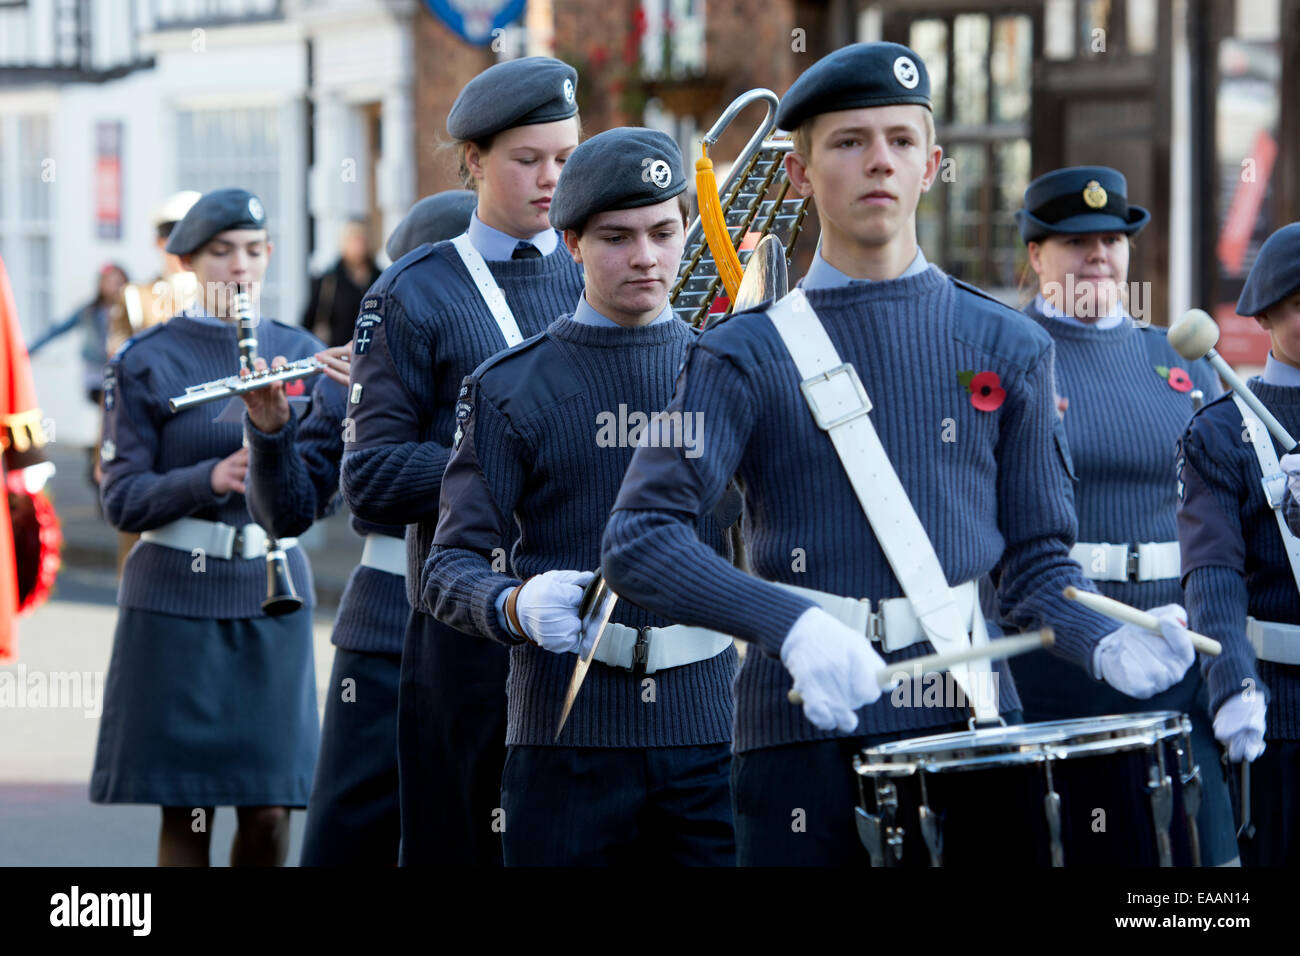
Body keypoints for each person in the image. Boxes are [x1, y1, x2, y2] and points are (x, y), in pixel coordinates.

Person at [600, 42, 1200, 867]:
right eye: (848, 142)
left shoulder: (1009, 344)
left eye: (900, 141)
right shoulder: (738, 353)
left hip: (977, 724)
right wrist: (793, 624)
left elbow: (1034, 569)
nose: (878, 160)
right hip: (800, 730)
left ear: (932, 165)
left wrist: (1098, 633)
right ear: (802, 173)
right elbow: (639, 540)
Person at [426, 128, 737, 865]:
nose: (645, 257)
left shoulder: (732, 373)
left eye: (665, 232)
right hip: (564, 738)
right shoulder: (508, 387)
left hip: (712, 734)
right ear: (570, 242)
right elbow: (447, 568)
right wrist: (512, 604)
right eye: (616, 237)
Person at [341, 56, 586, 866]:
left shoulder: (606, 270)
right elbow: (370, 480)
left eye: (565, 157)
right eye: (527, 160)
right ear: (475, 160)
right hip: (464, 628)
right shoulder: (412, 292)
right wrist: (498, 462)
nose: (551, 179)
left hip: (591, 624)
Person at [1005, 165, 1237, 865]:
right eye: (1076, 242)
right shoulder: (1004, 358)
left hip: (1177, 649)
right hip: (1055, 656)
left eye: (1112, 238)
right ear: (1037, 255)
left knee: (1200, 860)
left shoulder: (1179, 358)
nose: (1099, 254)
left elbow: (1222, 510)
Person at [90, 188, 324, 866]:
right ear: (189, 262)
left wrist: (276, 445)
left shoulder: (298, 352)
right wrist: (209, 479)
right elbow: (123, 499)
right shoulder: (145, 359)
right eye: (221, 253)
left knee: (272, 808)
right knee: (188, 812)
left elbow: (320, 492)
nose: (239, 267)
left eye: (253, 251)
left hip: (270, 591)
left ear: (270, 257)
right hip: (173, 597)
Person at [241, 190, 475, 866]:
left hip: (498, 619)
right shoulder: (353, 375)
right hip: (384, 624)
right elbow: (286, 512)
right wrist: (270, 431)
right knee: (349, 836)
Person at [1178, 221, 1300, 866]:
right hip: (1275, 714)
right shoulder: (1221, 434)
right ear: (1269, 312)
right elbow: (1212, 571)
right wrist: (1231, 682)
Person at [108, 190, 201, 356]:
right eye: (176, 239)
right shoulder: (135, 297)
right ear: (159, 242)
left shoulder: (218, 293)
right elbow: (118, 356)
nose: (185, 248)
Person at [28, 263, 128, 404]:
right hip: (96, 373)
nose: (115, 287)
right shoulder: (89, 311)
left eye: (119, 282)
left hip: (122, 373)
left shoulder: (130, 310)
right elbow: (58, 329)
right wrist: (30, 349)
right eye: (110, 281)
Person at [303, 219, 383, 347]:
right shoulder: (329, 280)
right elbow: (308, 321)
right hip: (337, 352)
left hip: (373, 351)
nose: (359, 246)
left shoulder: (381, 278)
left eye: (363, 240)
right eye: (354, 240)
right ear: (344, 243)